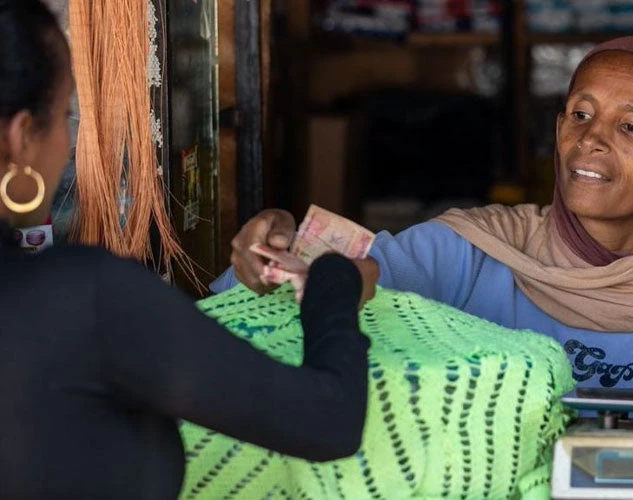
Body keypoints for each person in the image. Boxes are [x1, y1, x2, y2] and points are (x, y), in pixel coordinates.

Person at [220, 35, 633, 391]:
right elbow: (342, 270)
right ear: (558, 130)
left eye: (629, 126)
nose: (591, 140)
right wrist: (280, 244)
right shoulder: (476, 250)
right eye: (580, 115)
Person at [0, 1, 378, 498]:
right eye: (66, 112)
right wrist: (333, 277)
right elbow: (327, 419)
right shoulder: (81, 299)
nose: (68, 140)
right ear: (21, 136)